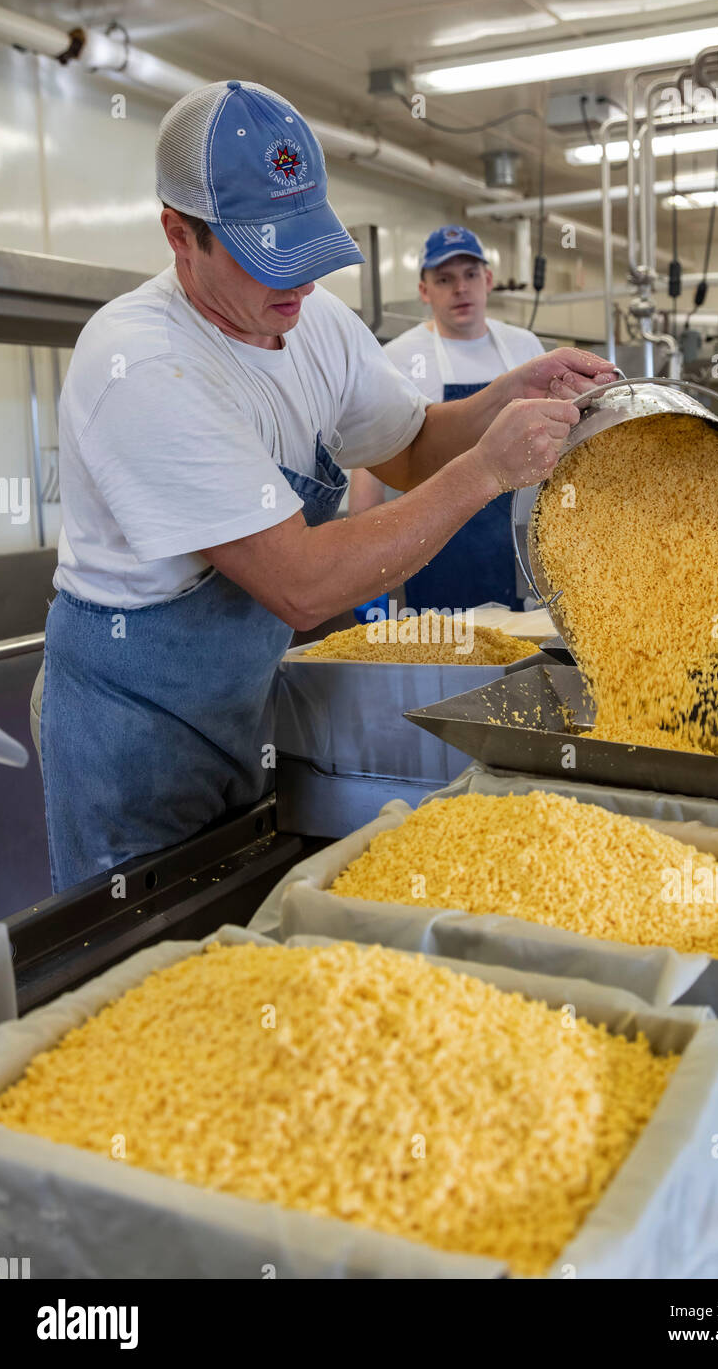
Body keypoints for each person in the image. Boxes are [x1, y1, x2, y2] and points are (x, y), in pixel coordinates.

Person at [33, 79, 615, 892]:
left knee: (242, 922)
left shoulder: (312, 322)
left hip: (241, 703)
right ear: (179, 235)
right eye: (268, 254)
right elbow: (299, 585)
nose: (300, 283)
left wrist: (507, 397)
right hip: (136, 728)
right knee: (147, 952)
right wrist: (489, 469)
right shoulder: (142, 363)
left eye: (309, 248)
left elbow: (410, 447)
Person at [349, 225, 546, 610]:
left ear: (487, 280)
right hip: (437, 551)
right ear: (425, 290)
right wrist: (364, 573)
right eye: (444, 279)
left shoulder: (525, 348)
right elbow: (369, 464)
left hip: (523, 547)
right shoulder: (399, 357)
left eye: (470, 275)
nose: (460, 288)